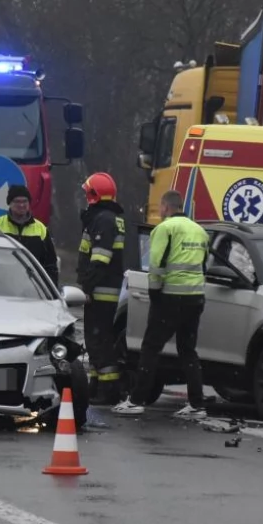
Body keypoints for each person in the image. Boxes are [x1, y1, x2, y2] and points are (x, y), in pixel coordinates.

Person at [112, 190, 210, 419]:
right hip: (195, 298)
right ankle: (197, 404)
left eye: (161, 206)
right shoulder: (200, 231)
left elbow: (155, 265)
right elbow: (203, 265)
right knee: (188, 351)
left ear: (166, 207)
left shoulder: (164, 229)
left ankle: (136, 400)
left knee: (150, 348)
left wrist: (154, 294)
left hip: (170, 297)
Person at [75, 172, 127, 405]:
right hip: (102, 288)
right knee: (96, 340)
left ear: (93, 195)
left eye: (87, 193)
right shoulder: (106, 217)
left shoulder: (103, 219)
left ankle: (108, 391)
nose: (85, 198)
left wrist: (87, 285)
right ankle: (96, 387)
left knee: (99, 341)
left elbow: (100, 258)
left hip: (100, 289)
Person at [0, 185, 59, 287]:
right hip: (1, 286)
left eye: (25, 201)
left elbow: (50, 264)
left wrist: (51, 289)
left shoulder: (41, 229)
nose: (21, 205)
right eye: (17, 201)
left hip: (34, 288)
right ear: (9, 203)